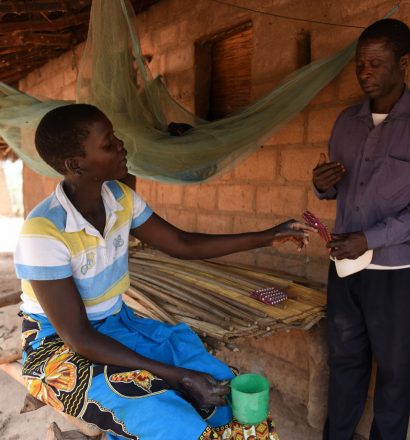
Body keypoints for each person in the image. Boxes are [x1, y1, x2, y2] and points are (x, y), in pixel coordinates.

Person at [15, 103, 314, 440]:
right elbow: (79, 337)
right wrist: (176, 376)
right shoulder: (44, 231)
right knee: (163, 416)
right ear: (76, 163)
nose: (121, 147)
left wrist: (267, 236)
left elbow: (181, 243)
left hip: (117, 326)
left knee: (223, 387)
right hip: (58, 348)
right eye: (108, 143)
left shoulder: (120, 199)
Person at [312, 18, 410, 440]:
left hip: (395, 274)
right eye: (359, 65)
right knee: (345, 363)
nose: (365, 72)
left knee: (396, 371)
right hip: (345, 271)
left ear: (403, 63)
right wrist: (322, 187)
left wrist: (370, 239)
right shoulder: (346, 123)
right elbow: (339, 191)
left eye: (376, 63)